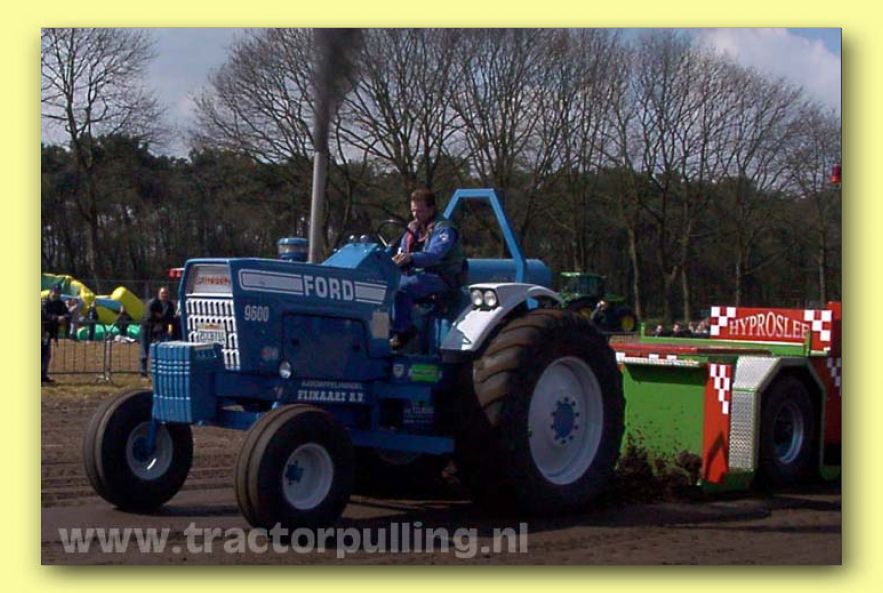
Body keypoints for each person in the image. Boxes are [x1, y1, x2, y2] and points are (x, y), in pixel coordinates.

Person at [389, 188, 465, 350]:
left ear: (431, 209)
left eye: (420, 211)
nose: (416, 215)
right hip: (418, 274)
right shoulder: (412, 228)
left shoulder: (444, 229)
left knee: (402, 287)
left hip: (442, 277)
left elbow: (434, 255)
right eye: (413, 211)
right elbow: (402, 250)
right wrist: (397, 259)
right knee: (385, 283)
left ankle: (404, 330)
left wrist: (410, 258)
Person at [140, 286, 177, 377]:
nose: (164, 295)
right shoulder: (153, 302)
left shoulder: (170, 305)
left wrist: (169, 330)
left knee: (162, 348)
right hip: (147, 327)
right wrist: (159, 317)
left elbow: (170, 319)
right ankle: (143, 372)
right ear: (159, 294)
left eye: (166, 293)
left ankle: (160, 370)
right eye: (162, 293)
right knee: (145, 349)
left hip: (160, 329)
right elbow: (149, 316)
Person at [41, 284, 70, 383]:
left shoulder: (60, 303)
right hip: (41, 330)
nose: (56, 294)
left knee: (46, 355)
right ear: (50, 292)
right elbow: (44, 315)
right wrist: (57, 318)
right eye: (55, 292)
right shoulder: (44, 302)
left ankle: (43, 376)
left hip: (48, 332)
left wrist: (64, 318)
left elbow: (67, 314)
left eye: (58, 292)